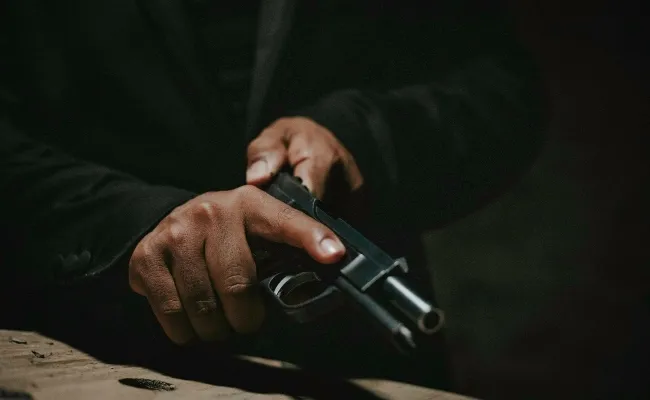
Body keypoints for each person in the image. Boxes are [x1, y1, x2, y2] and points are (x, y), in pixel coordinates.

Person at [0, 0, 545, 363]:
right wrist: (136, 220)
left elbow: (500, 83)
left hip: (351, 350)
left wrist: (362, 136)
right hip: (97, 340)